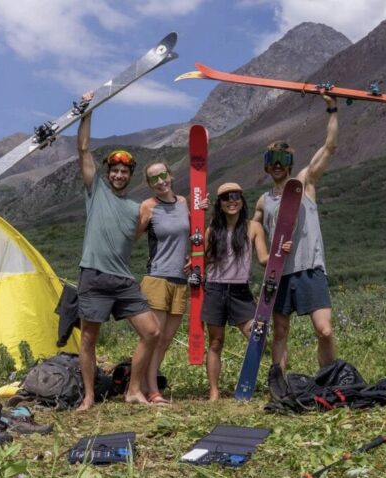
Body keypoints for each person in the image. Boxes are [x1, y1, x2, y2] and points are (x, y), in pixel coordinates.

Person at [75, 91, 160, 411]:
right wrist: (87, 111)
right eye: (114, 170)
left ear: (130, 175)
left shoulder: (138, 208)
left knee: (151, 332)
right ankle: (89, 396)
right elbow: (83, 148)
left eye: (124, 172)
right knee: (88, 339)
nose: (119, 174)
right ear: (108, 172)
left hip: (123, 280)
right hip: (93, 276)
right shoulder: (95, 190)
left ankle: (133, 391)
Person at [252, 94, 338, 373]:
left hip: (310, 268)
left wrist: (332, 110)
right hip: (279, 272)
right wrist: (262, 254)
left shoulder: (305, 184)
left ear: (289, 162)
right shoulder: (264, 200)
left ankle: (329, 376)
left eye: (283, 159)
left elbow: (330, 147)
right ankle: (280, 382)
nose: (277, 164)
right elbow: (253, 225)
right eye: (272, 159)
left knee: (324, 330)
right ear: (267, 165)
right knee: (280, 331)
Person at [202, 182, 285, 401]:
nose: (232, 201)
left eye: (236, 196)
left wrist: (280, 252)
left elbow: (263, 259)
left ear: (241, 200)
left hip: (240, 290)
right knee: (216, 342)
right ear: (219, 204)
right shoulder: (212, 230)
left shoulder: (253, 227)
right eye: (226, 197)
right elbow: (203, 258)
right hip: (215, 288)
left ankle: (260, 381)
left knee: (257, 336)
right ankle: (214, 391)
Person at [134, 161, 195, 405]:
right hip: (157, 278)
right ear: (149, 184)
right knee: (154, 336)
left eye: (163, 175)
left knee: (167, 339)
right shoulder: (148, 207)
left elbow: (189, 236)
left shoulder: (183, 203)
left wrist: (190, 255)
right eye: (154, 179)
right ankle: (152, 390)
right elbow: (131, 236)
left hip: (180, 280)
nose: (160, 182)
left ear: (170, 175)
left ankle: (148, 382)